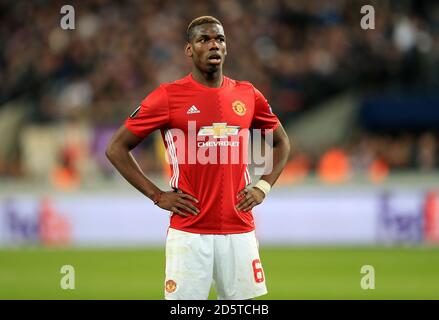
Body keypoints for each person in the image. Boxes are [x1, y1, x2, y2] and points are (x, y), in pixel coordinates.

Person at [106, 16, 291, 300]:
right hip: (189, 231)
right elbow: (116, 148)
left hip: (239, 228)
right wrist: (157, 195)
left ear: (226, 48)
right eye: (204, 39)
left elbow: (281, 142)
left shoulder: (248, 94)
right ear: (189, 50)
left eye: (220, 39)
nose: (214, 45)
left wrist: (262, 186)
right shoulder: (168, 96)